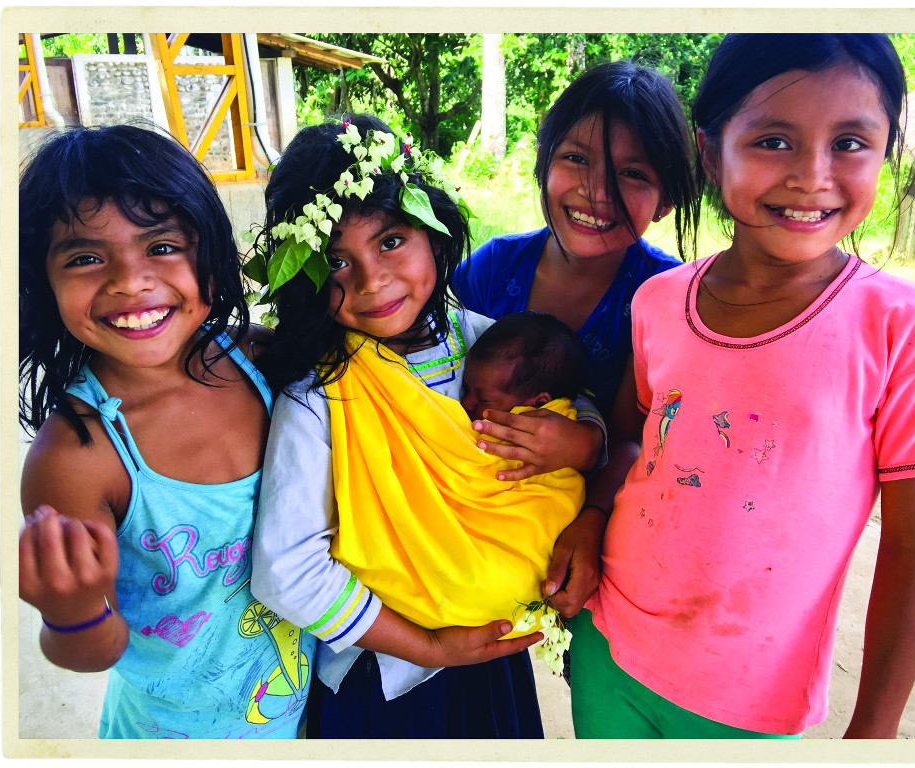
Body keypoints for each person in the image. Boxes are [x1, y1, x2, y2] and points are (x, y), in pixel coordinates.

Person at [569, 33, 915, 739]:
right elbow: (632, 438)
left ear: (886, 150)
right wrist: (587, 519)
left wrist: (875, 731)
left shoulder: (909, 332)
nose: (811, 175)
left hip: (750, 700)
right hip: (607, 644)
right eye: (773, 141)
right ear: (710, 152)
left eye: (850, 142)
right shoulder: (660, 302)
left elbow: (912, 552)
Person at [248, 115, 600, 739]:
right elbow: (285, 572)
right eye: (334, 261)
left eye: (390, 241)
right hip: (383, 669)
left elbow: (573, 401)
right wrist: (429, 646)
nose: (371, 279)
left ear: (435, 235)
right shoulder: (318, 397)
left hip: (489, 653)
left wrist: (585, 441)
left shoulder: (483, 345)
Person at [17, 124, 315, 739]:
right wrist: (70, 613)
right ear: (40, 283)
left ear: (209, 251)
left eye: (161, 247)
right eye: (85, 257)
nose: (129, 280)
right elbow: (94, 651)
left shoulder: (258, 361)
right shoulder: (78, 456)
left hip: (300, 715)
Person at [452, 60, 700, 623]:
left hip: (592, 533)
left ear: (664, 200)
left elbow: (641, 442)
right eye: (576, 158)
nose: (596, 191)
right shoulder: (490, 272)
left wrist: (587, 471)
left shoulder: (662, 298)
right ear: (544, 163)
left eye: (633, 174)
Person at [460, 310, 585, 422]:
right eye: (466, 388)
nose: (466, 403)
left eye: (484, 399)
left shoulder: (547, 440)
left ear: (539, 404)